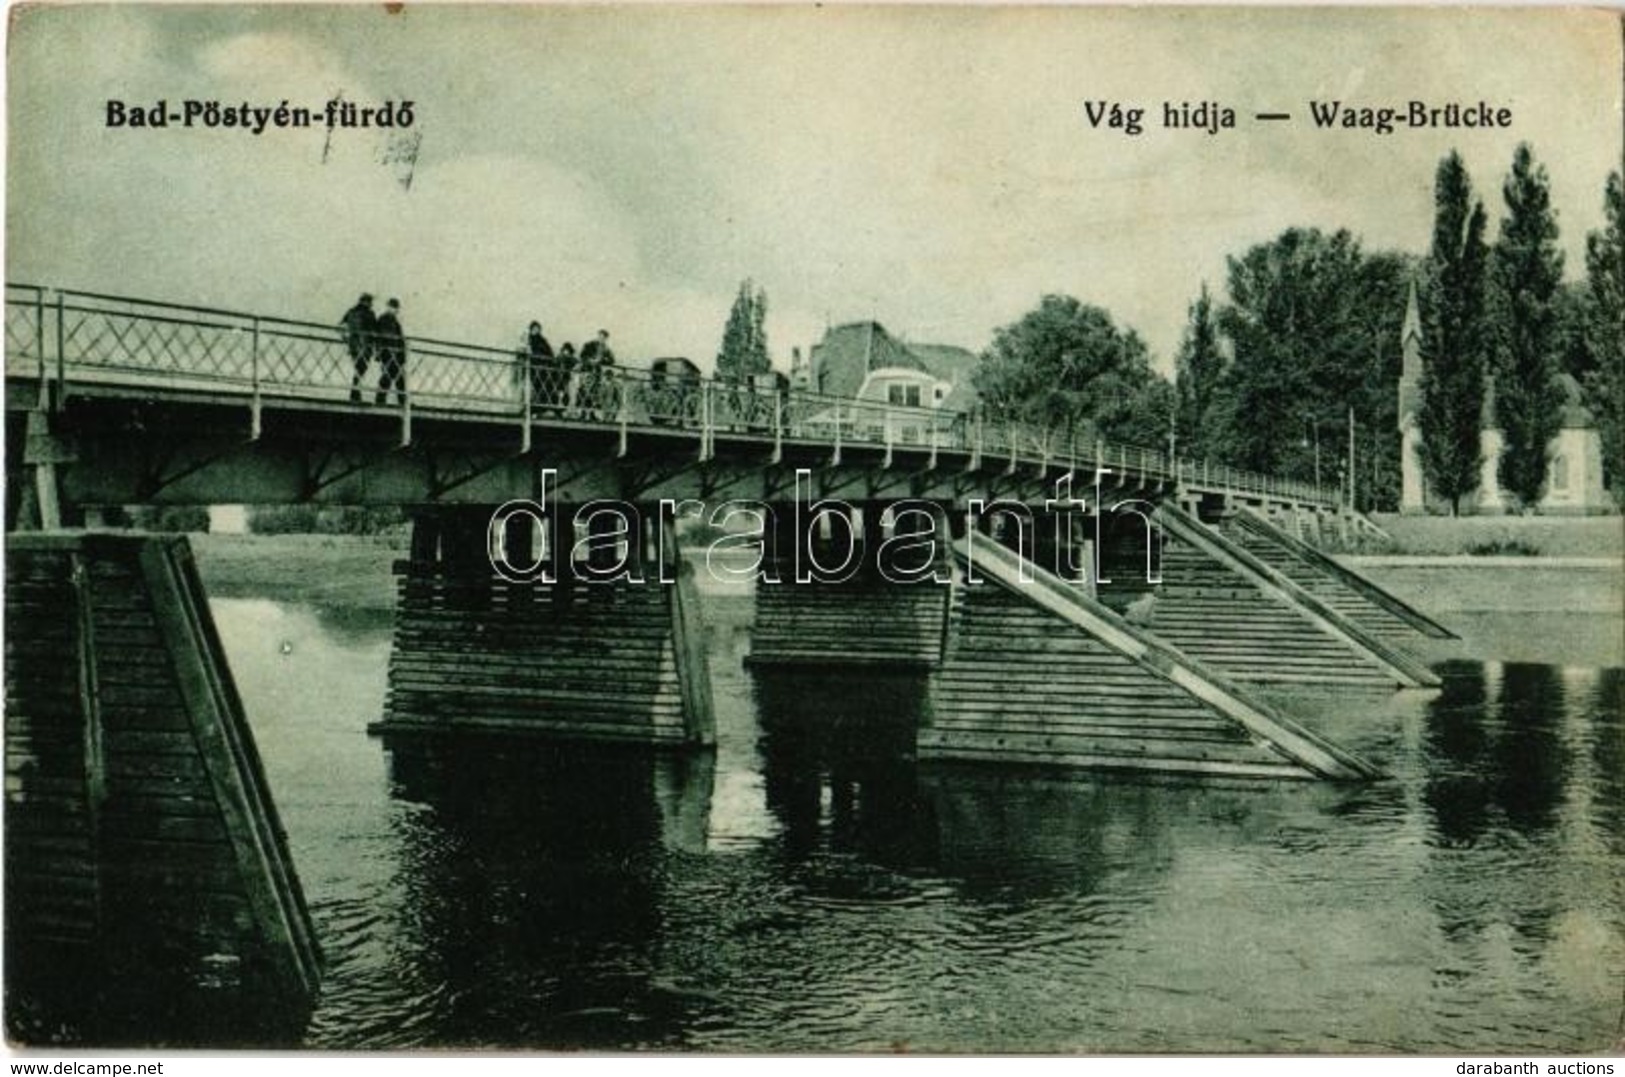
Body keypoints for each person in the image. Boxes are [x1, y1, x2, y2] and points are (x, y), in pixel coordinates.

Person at [340, 293, 376, 403]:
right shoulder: (369, 314)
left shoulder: (351, 311)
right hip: (365, 345)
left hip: (353, 345)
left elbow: (340, 326)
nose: (371, 304)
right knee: (361, 369)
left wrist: (346, 339)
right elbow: (374, 330)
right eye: (370, 302)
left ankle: (355, 393)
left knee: (358, 368)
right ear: (367, 302)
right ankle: (355, 393)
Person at [375, 298, 407, 407]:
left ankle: (383, 399)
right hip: (389, 352)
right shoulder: (385, 319)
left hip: (394, 353)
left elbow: (399, 339)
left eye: (396, 308)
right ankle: (382, 400)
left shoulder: (393, 321)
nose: (395, 310)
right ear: (389, 307)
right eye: (394, 308)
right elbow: (386, 336)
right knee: (391, 376)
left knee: (395, 377)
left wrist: (402, 354)